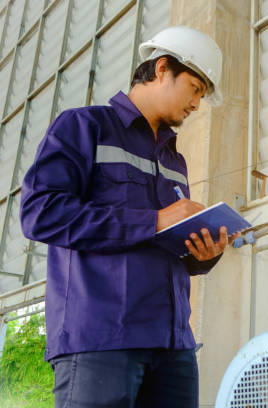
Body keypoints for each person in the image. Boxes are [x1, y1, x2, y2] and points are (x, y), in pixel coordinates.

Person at [19, 26, 235, 407]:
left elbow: (167, 244)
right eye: (195, 89)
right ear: (162, 68)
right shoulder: (83, 127)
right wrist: (155, 220)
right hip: (101, 341)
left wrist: (203, 253)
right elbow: (41, 213)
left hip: (173, 346)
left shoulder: (174, 160)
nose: (196, 105)